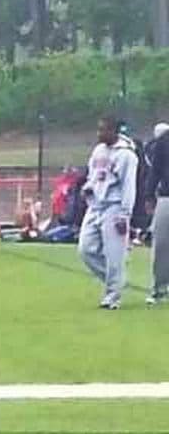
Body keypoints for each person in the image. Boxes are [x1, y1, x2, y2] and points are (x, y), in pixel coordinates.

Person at [79, 115, 138, 310]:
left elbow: (129, 186)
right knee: (86, 249)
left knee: (114, 254)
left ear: (114, 131)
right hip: (95, 205)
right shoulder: (98, 151)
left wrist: (124, 213)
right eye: (98, 129)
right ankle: (116, 280)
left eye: (103, 130)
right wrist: (88, 187)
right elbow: (93, 175)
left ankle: (112, 297)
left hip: (114, 206)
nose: (99, 133)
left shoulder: (127, 155)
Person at [147, 121, 169, 305]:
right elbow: (155, 170)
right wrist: (149, 194)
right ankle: (159, 288)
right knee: (161, 244)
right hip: (166, 196)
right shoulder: (164, 141)